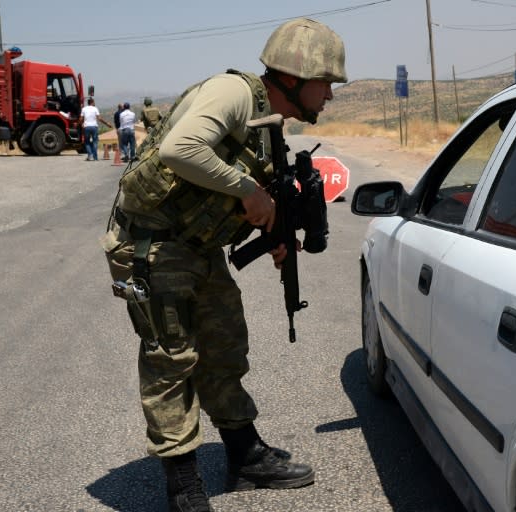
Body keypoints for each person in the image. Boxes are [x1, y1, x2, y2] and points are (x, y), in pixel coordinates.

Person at [99, 18, 346, 512]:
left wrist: (270, 230)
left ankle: (244, 455)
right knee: (172, 360)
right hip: (152, 243)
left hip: (197, 248)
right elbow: (179, 149)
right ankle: (184, 484)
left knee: (224, 349)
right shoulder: (233, 93)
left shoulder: (267, 126)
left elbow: (245, 192)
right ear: (295, 79)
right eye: (328, 84)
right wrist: (248, 190)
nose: (331, 96)